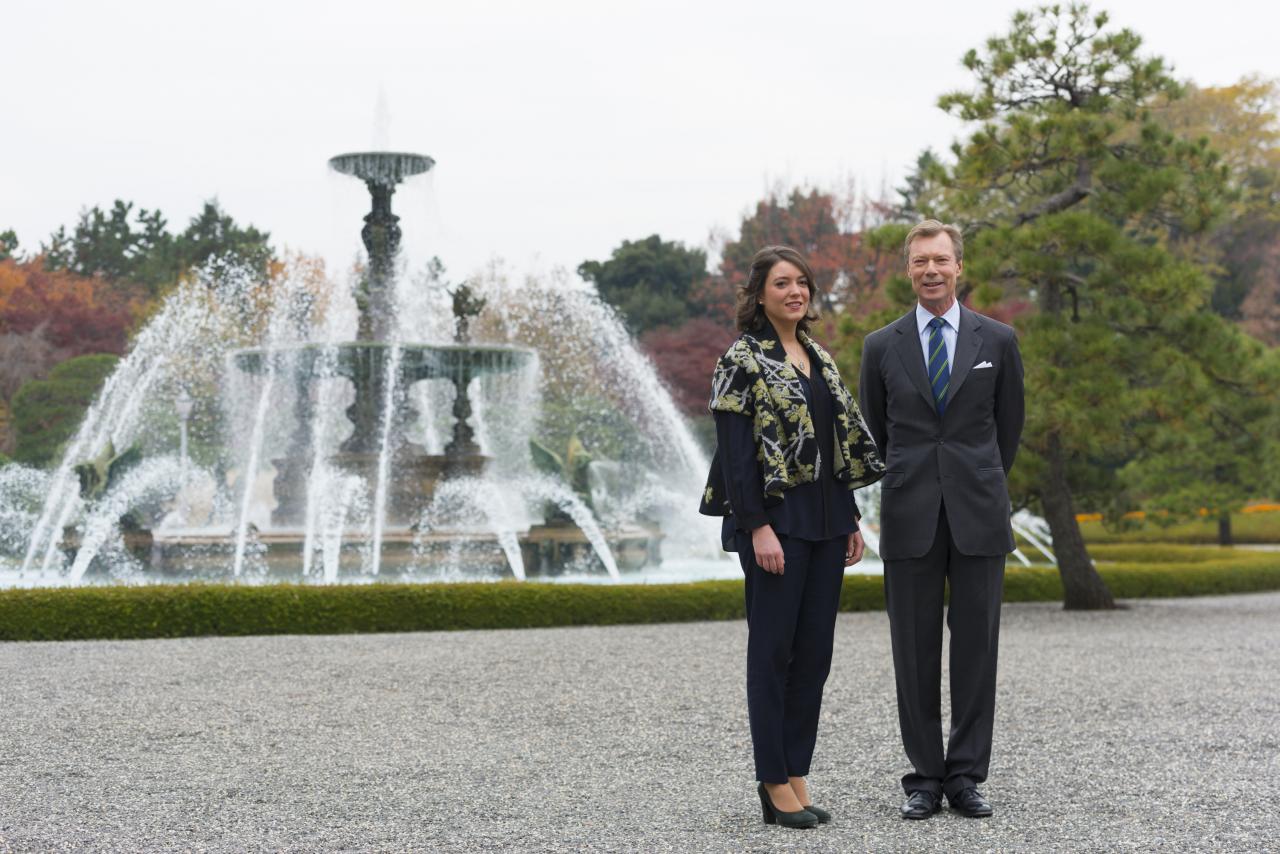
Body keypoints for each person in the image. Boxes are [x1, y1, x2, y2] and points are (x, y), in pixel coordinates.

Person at [700, 245, 884, 829]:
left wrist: (851, 516)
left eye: (802, 282)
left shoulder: (819, 357)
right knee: (772, 653)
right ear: (759, 295)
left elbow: (836, 444)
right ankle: (772, 780)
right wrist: (757, 527)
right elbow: (734, 456)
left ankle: (797, 771)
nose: (795, 291)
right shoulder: (740, 359)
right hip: (775, 526)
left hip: (827, 526)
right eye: (782, 283)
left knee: (814, 657)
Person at [858, 220, 1025, 820]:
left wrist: (974, 477)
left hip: (978, 514)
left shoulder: (998, 340)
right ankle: (924, 777)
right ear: (908, 270)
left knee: (977, 649)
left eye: (941, 260)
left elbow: (1007, 431)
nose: (931, 270)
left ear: (959, 267)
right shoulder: (881, 346)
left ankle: (966, 776)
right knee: (914, 650)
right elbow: (876, 432)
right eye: (920, 261)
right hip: (910, 514)